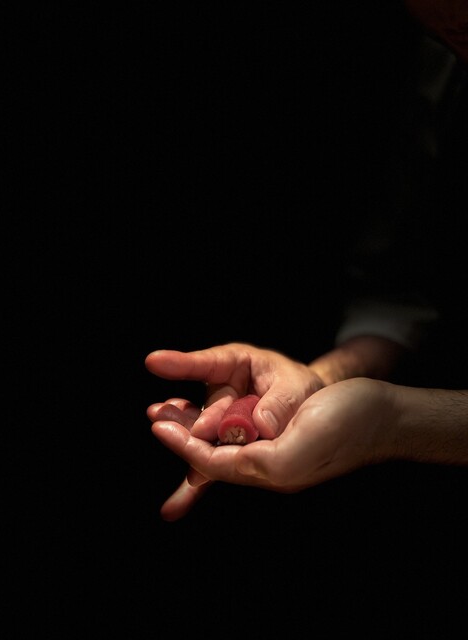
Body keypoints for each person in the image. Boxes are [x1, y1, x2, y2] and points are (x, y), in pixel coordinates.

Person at [146, 1, 468, 522]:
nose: (446, 22)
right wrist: (321, 377)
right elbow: (402, 289)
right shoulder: (442, 64)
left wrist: (399, 420)